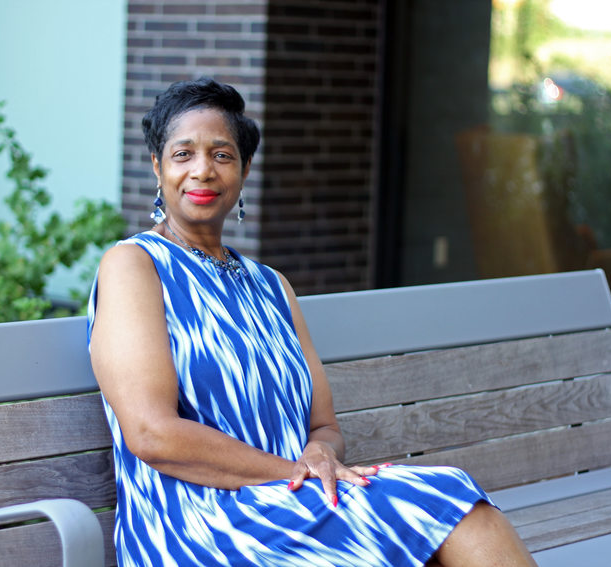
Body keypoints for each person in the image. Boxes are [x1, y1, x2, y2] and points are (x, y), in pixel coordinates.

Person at [87, 77, 537, 567]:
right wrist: (291, 472)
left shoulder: (271, 286)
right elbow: (152, 435)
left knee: (450, 510)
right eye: (183, 155)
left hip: (294, 503)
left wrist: (321, 455)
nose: (203, 171)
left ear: (244, 170)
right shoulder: (135, 265)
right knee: (448, 502)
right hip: (199, 524)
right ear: (157, 166)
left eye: (222, 155)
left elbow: (324, 426)